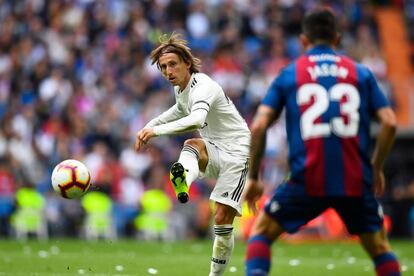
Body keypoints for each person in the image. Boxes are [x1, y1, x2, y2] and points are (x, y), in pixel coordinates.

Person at [244, 7, 401, 276]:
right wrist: (375, 169)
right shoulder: (361, 73)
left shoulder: (290, 73)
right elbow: (389, 121)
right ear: (337, 39)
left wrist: (254, 177)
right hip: (354, 180)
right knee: (379, 247)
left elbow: (258, 125)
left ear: (303, 41)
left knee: (262, 232)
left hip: (308, 178)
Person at [135, 33, 251, 276]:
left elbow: (196, 118)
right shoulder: (182, 90)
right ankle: (183, 183)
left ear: (187, 63)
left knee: (221, 218)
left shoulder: (204, 85)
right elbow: (178, 110)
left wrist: (154, 131)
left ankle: (214, 275)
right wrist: (148, 126)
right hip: (214, 148)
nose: (168, 71)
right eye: (163, 67)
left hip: (238, 154)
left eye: (172, 64)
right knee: (193, 144)